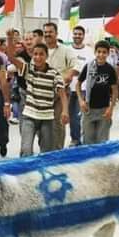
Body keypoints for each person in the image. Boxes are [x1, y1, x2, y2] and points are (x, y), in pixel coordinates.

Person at [6, 33, 69, 156]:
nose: (38, 57)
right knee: (26, 150)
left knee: (46, 152)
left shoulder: (54, 74)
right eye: (35, 54)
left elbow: (62, 94)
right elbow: (11, 58)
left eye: (41, 54)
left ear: (46, 56)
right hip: (29, 115)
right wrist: (9, 39)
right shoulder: (28, 69)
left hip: (47, 118)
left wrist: (65, 111)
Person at [43, 22, 78, 150]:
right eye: (45, 32)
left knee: (58, 125)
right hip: (42, 94)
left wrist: (69, 74)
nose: (47, 34)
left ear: (56, 34)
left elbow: (77, 65)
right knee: (44, 125)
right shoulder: (39, 51)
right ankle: (45, 153)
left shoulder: (65, 50)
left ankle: (58, 153)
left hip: (61, 94)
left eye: (50, 32)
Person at [76, 40, 118, 145]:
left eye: (104, 52)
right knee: (87, 140)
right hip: (88, 108)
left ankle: (101, 161)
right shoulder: (88, 66)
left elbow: (114, 90)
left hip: (104, 110)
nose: (101, 54)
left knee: (102, 141)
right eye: (99, 52)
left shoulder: (110, 69)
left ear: (108, 53)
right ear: (95, 52)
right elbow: (78, 84)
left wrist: (111, 108)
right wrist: (81, 100)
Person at [69, 25, 95, 146]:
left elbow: (92, 71)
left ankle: (85, 139)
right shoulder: (67, 50)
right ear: (72, 35)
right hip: (68, 89)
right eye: (75, 34)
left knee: (80, 116)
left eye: (80, 34)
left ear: (83, 36)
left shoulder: (89, 52)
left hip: (83, 89)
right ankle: (75, 139)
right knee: (71, 117)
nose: (77, 36)